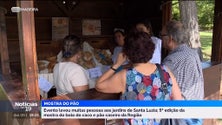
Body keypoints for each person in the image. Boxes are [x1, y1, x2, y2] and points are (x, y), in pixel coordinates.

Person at [96, 32, 183, 125]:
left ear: (127, 53)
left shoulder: (126, 76)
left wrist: (116, 65)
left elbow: (99, 85)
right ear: (151, 49)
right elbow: (178, 100)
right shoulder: (165, 71)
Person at [161, 20, 204, 125]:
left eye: (162, 35)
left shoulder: (171, 60)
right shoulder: (193, 53)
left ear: (170, 38)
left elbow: (162, 90)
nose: (160, 39)